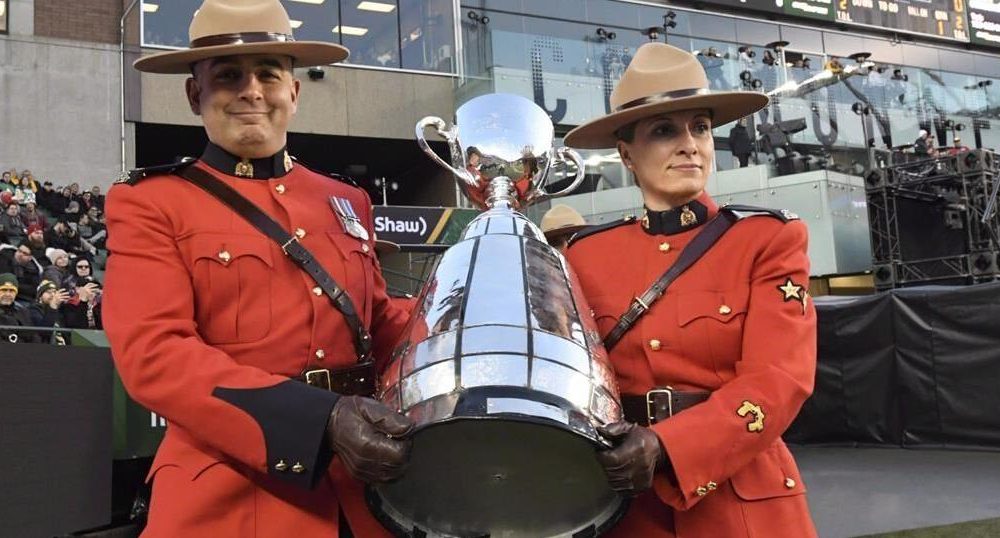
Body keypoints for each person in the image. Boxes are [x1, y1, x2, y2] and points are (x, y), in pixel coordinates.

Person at [103, 1, 413, 536]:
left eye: (269, 73)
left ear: (293, 92)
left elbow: (379, 322)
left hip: (367, 497)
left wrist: (469, 324)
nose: (251, 90)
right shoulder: (152, 202)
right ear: (195, 93)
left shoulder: (347, 200)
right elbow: (153, 354)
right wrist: (321, 420)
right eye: (228, 76)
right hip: (230, 496)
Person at [562, 43, 817, 537]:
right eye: (664, 130)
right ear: (626, 154)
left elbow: (780, 380)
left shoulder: (767, 239)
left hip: (741, 502)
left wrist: (666, 447)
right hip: (623, 505)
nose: (690, 144)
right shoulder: (585, 255)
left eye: (699, 127)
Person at [0, 273, 39, 343]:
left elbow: (33, 336)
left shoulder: (23, 312)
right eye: (4, 290)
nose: (7, 294)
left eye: (11, 291)